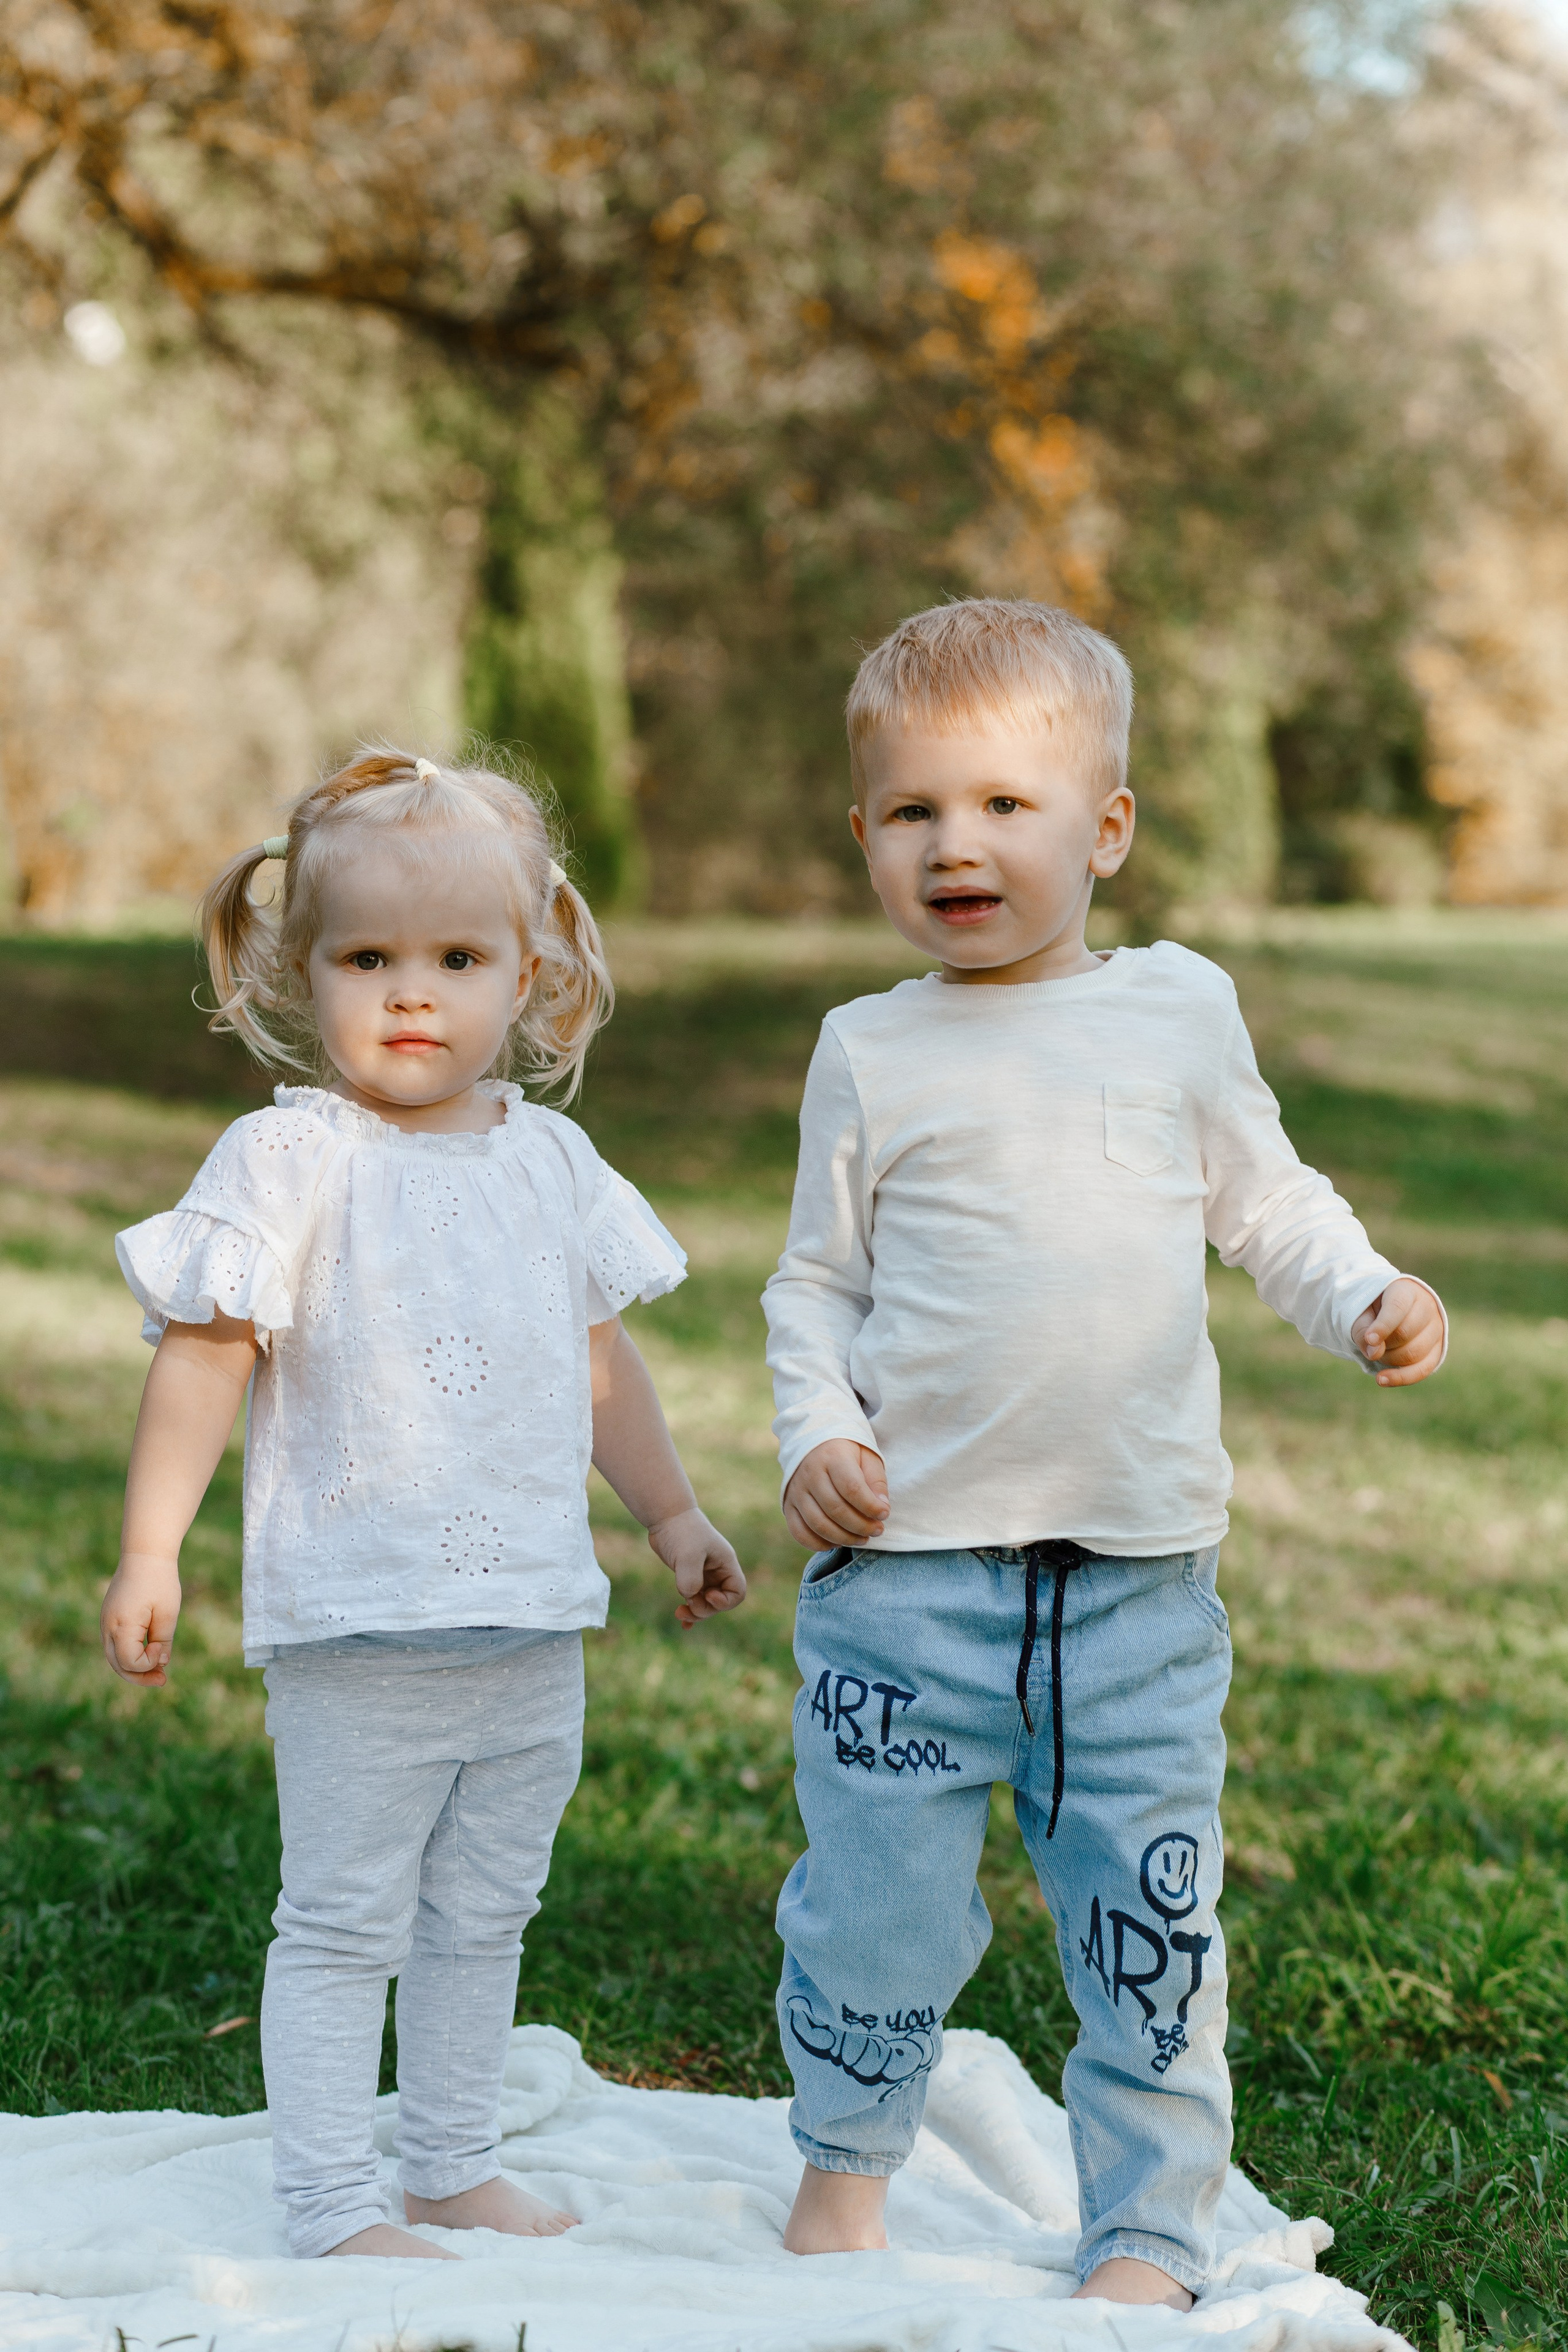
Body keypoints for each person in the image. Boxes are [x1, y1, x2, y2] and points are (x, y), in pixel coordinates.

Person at [761, 601, 1445, 2303]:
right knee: (875, 1913)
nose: (957, 845)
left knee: (1149, 1924)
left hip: (1136, 1592)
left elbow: (1267, 1202)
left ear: (1108, 829)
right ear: (864, 838)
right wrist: (818, 1433)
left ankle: (1144, 2226)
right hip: (906, 1590)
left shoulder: (1176, 1013)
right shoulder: (871, 1048)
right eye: (912, 812)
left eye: (1005, 803)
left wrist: (1360, 1291)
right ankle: (847, 2174)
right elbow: (814, 1283)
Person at [102, 750, 746, 2262]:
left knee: (483, 1918)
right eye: (368, 958)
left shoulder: (553, 1164)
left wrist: (670, 1516)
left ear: (528, 973)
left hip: (527, 1627)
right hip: (359, 1623)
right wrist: (150, 1550)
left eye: (457, 959)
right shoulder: (289, 1159)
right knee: (340, 1922)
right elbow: (205, 1361)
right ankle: (331, 2201)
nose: (413, 994)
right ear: (297, 969)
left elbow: (602, 1367)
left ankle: (449, 2161)